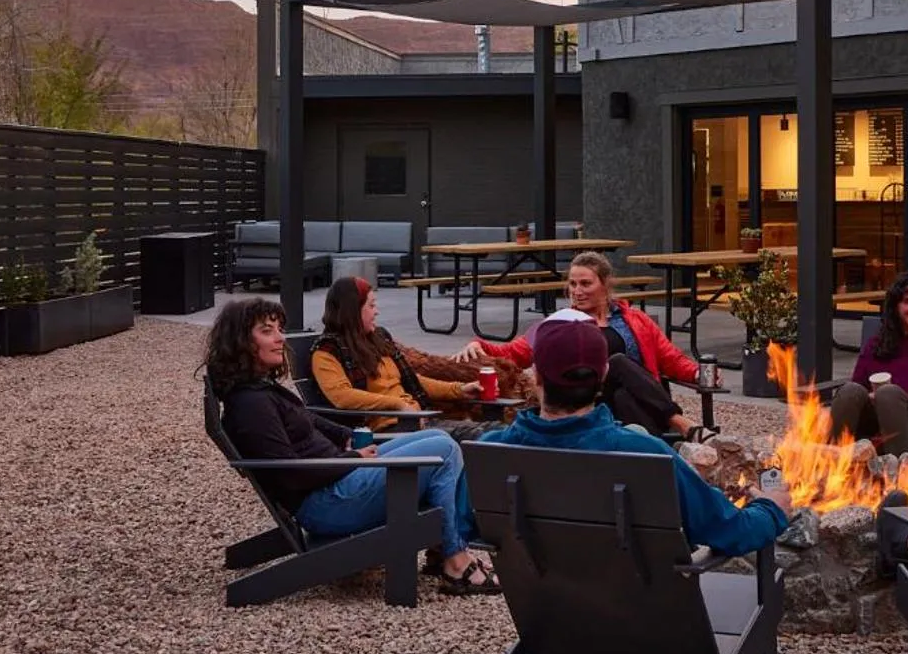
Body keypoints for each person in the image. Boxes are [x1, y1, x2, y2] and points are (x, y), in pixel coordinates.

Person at [204, 296, 497, 594]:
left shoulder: (260, 388)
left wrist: (345, 437)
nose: (280, 338)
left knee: (438, 439)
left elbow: (309, 420)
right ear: (241, 341)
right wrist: (354, 457)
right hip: (328, 502)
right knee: (445, 451)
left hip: (337, 478)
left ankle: (444, 548)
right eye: (267, 331)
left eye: (279, 329)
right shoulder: (251, 404)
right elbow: (290, 472)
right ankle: (455, 560)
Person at [475, 317, 789, 556]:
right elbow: (730, 531)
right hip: (646, 625)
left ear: (537, 377)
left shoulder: (490, 453)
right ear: (604, 376)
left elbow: (467, 525)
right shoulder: (645, 455)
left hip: (546, 621)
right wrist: (771, 509)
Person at [459, 251, 715, 441]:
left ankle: (660, 446)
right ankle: (680, 428)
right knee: (615, 363)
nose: (577, 291)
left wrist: (696, 373)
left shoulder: (635, 321)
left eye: (585, 284)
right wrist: (477, 344)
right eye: (572, 284)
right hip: (590, 405)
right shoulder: (560, 325)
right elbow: (517, 354)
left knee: (623, 389)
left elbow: (670, 358)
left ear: (605, 285)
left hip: (641, 404)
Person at [311, 276, 499, 439]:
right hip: (387, 431)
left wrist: (459, 389)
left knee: (494, 433)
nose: (377, 311)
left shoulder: (376, 339)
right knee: (482, 437)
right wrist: (398, 405)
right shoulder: (327, 352)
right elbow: (342, 397)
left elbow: (412, 379)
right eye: (371, 305)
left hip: (416, 421)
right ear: (352, 310)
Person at [824, 271, 908, 459]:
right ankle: (831, 466)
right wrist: (873, 397)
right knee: (850, 390)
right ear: (895, 307)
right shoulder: (876, 344)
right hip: (873, 423)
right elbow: (858, 384)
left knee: (888, 393)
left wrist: (890, 395)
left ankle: (896, 473)